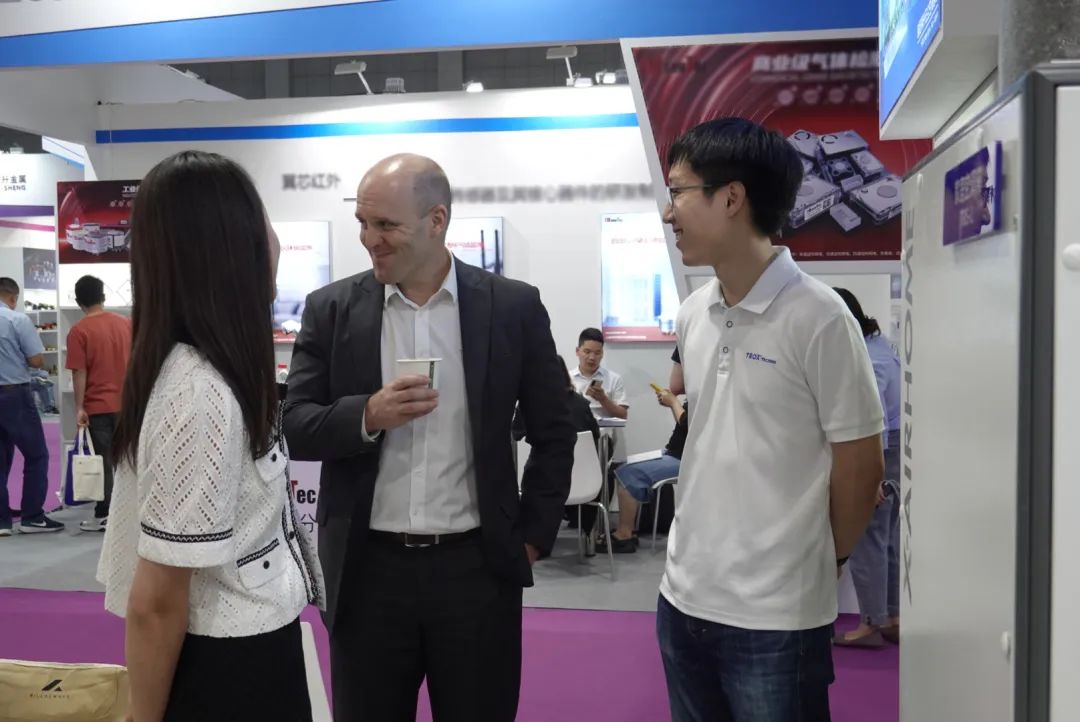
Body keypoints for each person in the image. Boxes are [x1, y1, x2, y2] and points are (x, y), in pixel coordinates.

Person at [283, 153, 575, 722]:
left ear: (437, 220)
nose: (369, 239)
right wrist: (367, 414)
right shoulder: (331, 309)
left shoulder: (511, 307)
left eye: (385, 224)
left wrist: (533, 536)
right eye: (362, 223)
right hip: (367, 574)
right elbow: (295, 426)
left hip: (476, 572)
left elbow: (554, 429)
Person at [657, 118, 885, 721]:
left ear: (731, 198)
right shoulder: (693, 312)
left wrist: (825, 560)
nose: (668, 212)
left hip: (776, 616)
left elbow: (861, 466)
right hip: (682, 597)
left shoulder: (820, 316)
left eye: (679, 192)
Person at [97, 151, 322, 722]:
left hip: (245, 646)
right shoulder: (201, 391)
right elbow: (158, 598)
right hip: (228, 665)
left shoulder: (207, 370)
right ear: (233, 244)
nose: (274, 240)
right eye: (262, 221)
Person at [832, 288, 902, 648]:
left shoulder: (867, 358)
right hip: (895, 450)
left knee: (865, 537)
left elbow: (873, 421)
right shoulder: (880, 346)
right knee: (886, 539)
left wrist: (871, 478)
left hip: (882, 450)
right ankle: (891, 615)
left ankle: (871, 622)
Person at [65, 274, 132, 532]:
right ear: (103, 296)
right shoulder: (125, 324)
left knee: (102, 462)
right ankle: (129, 511)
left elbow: (79, 372)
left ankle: (104, 513)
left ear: (79, 301)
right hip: (127, 403)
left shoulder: (79, 331)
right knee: (127, 459)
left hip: (98, 405)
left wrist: (79, 407)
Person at [0, 277, 63, 536]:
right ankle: (32, 516)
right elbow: (36, 360)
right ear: (13, 297)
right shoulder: (17, 320)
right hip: (14, 394)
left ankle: (2, 521)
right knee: (36, 455)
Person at [601, 387, 687, 554]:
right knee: (623, 466)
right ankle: (629, 529)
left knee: (628, 473)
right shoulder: (696, 398)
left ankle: (624, 535)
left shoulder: (702, 398)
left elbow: (687, 425)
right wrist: (673, 404)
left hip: (684, 458)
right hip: (674, 453)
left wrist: (674, 402)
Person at [571, 327, 628, 420]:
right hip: (576, 428)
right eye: (587, 352)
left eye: (597, 353)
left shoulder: (614, 379)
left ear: (602, 354)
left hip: (605, 429)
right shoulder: (566, 378)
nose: (592, 357)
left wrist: (603, 399)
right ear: (577, 351)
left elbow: (623, 415)